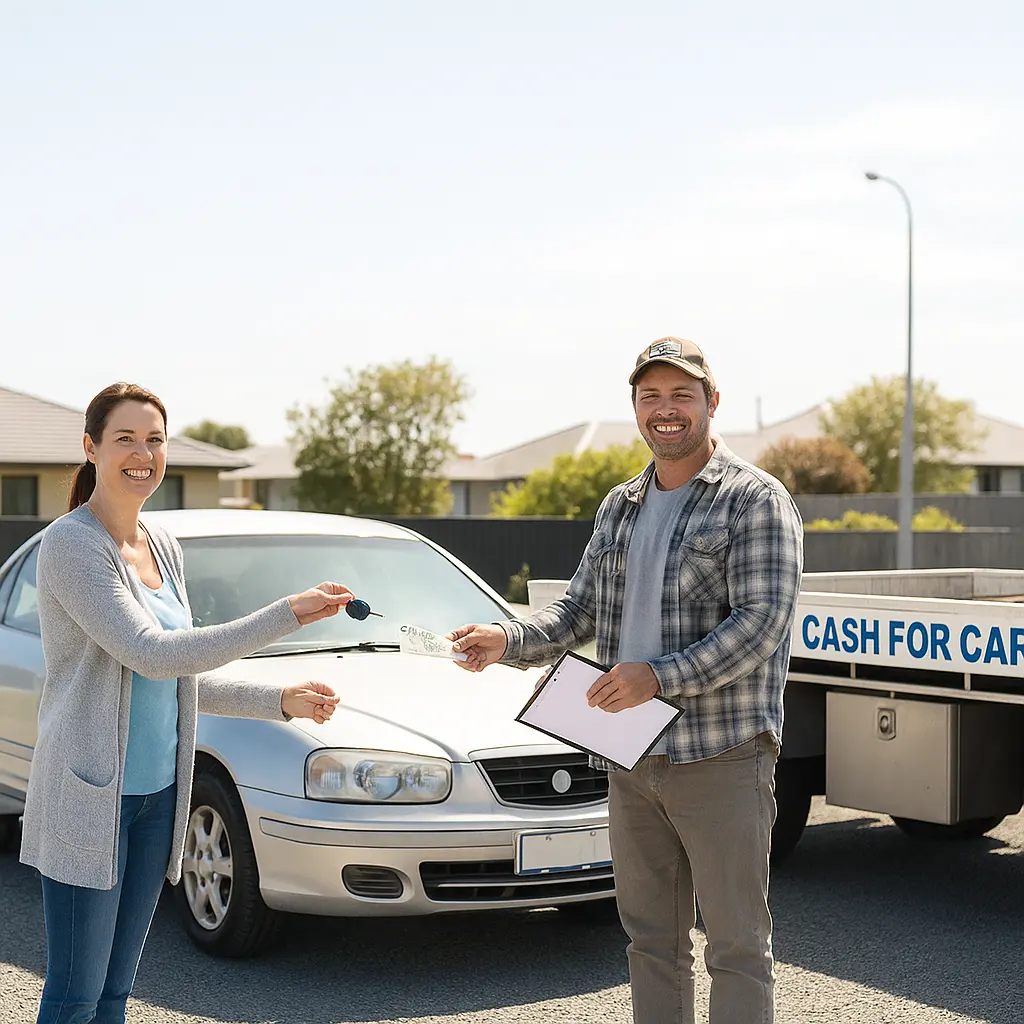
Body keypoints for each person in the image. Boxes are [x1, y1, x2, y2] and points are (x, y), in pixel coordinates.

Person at [447, 338, 804, 1024]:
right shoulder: (622, 504)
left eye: (681, 395)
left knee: (736, 946)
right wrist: (508, 640)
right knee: (650, 940)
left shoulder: (754, 500)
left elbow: (761, 625)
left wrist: (658, 677)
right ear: (636, 408)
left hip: (721, 755)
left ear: (711, 403)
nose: (665, 410)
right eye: (651, 397)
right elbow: (579, 608)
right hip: (629, 754)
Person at [20, 382, 355, 1024]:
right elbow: (151, 653)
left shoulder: (163, 546)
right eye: (124, 439)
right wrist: (285, 613)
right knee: (74, 997)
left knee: (116, 995)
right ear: (90, 448)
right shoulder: (70, 545)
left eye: (154, 439)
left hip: (157, 800)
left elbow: (178, 679)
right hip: (89, 799)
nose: (141, 453)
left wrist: (279, 700)